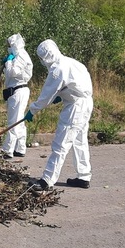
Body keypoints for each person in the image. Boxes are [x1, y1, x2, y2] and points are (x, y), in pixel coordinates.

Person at [24, 39, 93, 190]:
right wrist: (63, 95)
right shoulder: (72, 62)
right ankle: (84, 176)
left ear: (44, 58)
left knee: (61, 144)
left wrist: (32, 110)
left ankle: (47, 180)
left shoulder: (57, 69)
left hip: (75, 108)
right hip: (86, 103)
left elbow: (46, 96)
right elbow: (80, 85)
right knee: (79, 141)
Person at [0, 33, 33, 159]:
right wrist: (7, 63)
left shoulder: (21, 56)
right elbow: (10, 74)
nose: (8, 46)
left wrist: (8, 62)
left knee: (13, 121)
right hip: (15, 91)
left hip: (18, 91)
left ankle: (8, 150)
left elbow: (13, 72)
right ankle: (20, 148)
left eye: (9, 44)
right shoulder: (18, 56)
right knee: (18, 120)